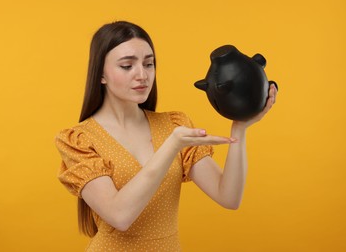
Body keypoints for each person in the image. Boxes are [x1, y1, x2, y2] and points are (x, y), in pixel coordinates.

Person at [55, 20, 277, 251]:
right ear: (101, 74)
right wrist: (171, 146)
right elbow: (119, 216)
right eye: (127, 66)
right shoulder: (79, 139)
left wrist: (239, 128)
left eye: (149, 64)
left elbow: (229, 196)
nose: (142, 75)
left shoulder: (173, 125)